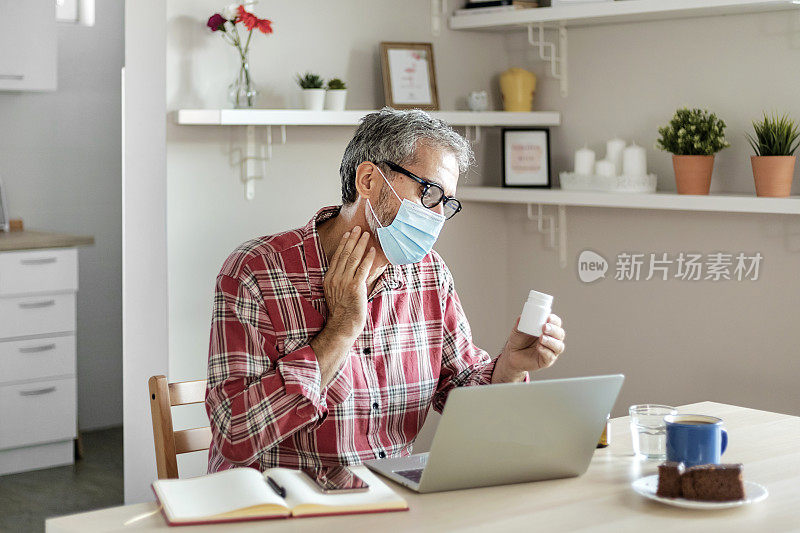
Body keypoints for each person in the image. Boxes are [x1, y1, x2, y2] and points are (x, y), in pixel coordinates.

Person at [206, 108, 566, 473]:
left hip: (393, 501)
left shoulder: (429, 274)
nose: (438, 215)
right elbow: (235, 436)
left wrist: (509, 367)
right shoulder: (257, 271)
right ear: (368, 180)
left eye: (448, 203)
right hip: (285, 507)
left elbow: (458, 389)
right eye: (429, 193)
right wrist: (341, 330)